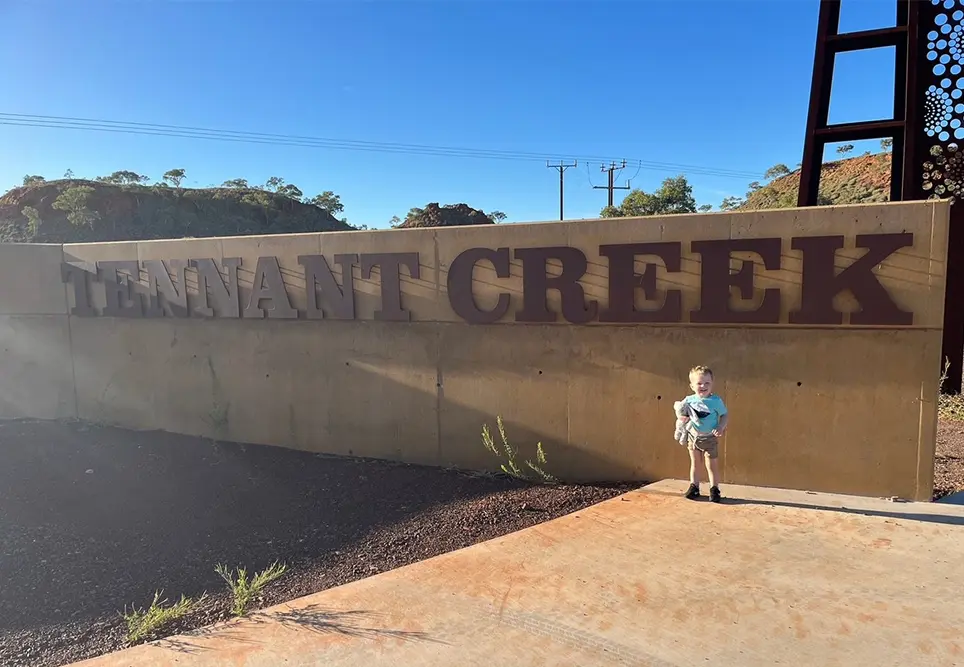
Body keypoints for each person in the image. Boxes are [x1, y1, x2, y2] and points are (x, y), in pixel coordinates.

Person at [676, 365, 727, 503]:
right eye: (699, 383)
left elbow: (724, 415)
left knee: (711, 466)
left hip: (710, 438)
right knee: (695, 463)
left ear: (712, 384)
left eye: (707, 383)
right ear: (692, 385)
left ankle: (714, 489)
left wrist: (721, 426)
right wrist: (682, 420)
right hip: (693, 437)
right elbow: (681, 412)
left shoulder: (716, 401)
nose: (703, 386)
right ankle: (694, 487)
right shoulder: (689, 400)